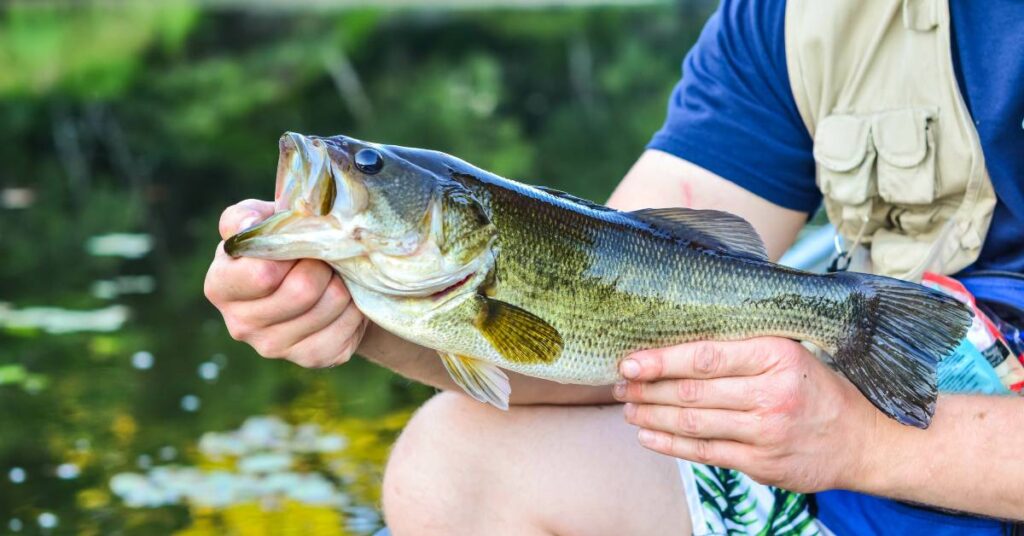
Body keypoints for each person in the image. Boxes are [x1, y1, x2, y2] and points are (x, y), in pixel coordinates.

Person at [204, 0, 1024, 534]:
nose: (358, 173)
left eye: (376, 169)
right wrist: (360, 319)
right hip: (884, 433)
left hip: (957, 463)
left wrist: (861, 443)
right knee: (453, 464)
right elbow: (605, 332)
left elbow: (855, 437)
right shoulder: (777, 22)